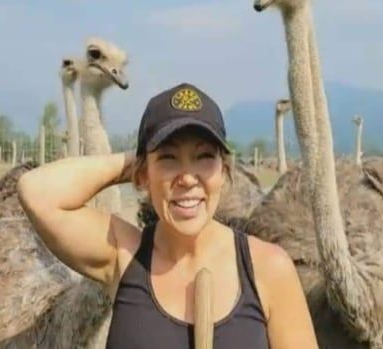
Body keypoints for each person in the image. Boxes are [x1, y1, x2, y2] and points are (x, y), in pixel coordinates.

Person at [18, 82, 318, 348]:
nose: (187, 178)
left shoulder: (267, 268)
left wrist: (153, 162)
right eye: (168, 158)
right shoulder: (125, 255)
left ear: (224, 171)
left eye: (203, 157)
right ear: (143, 175)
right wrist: (134, 163)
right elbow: (37, 192)